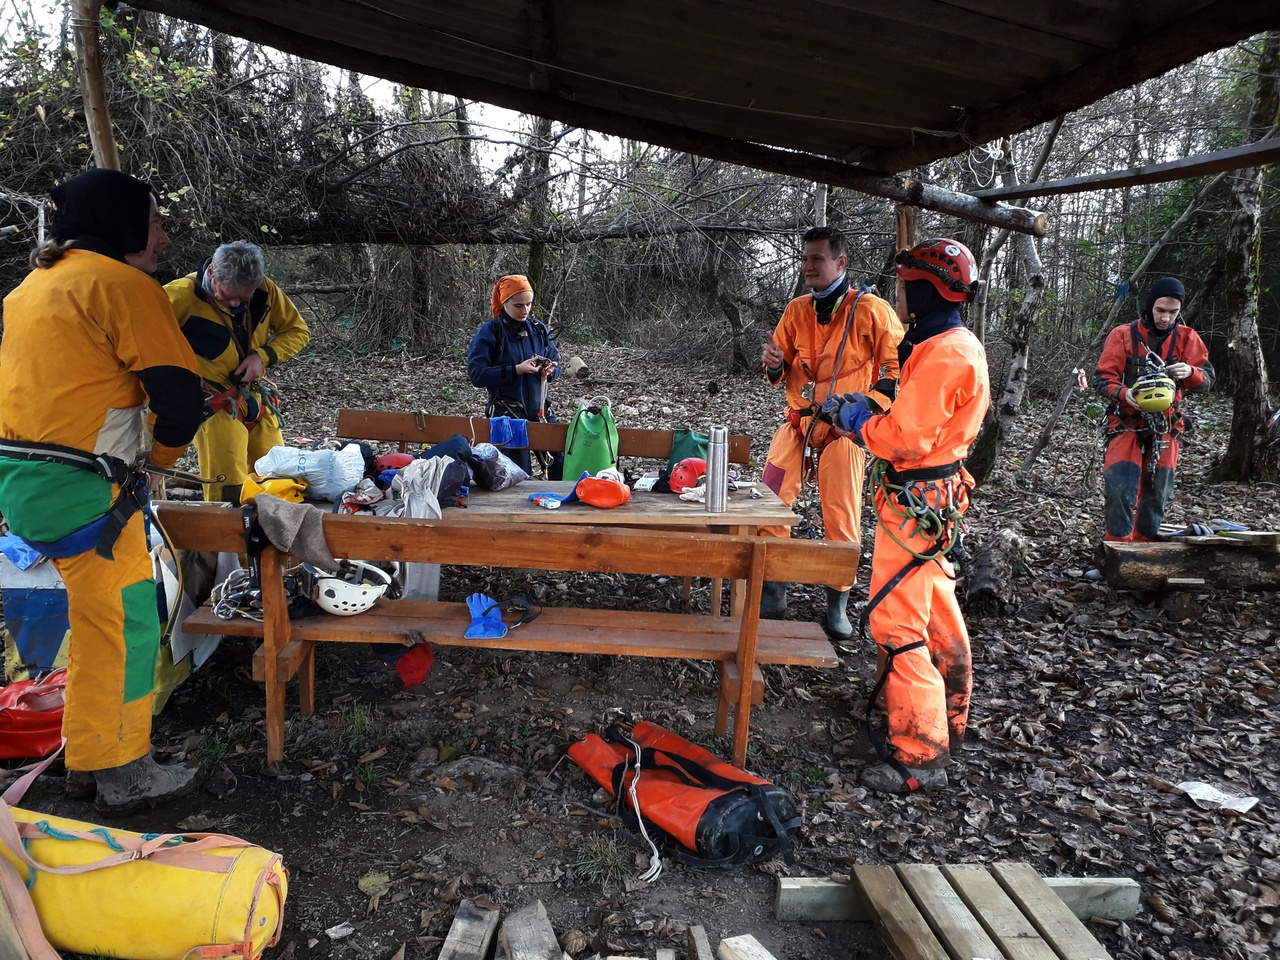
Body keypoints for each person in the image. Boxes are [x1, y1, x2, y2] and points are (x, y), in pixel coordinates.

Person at [0, 168, 206, 812]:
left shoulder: (29, 289)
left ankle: (89, 756)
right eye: (153, 222)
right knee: (127, 626)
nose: (164, 237)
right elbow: (180, 399)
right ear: (119, 224)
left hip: (22, 486)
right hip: (86, 491)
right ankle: (122, 769)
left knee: (95, 627)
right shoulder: (123, 285)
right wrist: (161, 460)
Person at [826, 237, 990, 794]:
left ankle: (919, 752)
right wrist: (875, 400)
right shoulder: (953, 343)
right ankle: (951, 713)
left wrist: (857, 424)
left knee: (896, 622)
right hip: (934, 499)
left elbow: (905, 437)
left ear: (925, 287)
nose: (900, 293)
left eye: (906, 284)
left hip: (915, 500)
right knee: (937, 607)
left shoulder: (946, 353)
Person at [758, 226, 903, 639]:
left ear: (840, 263)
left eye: (816, 259)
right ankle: (773, 590)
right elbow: (777, 371)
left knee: (841, 515)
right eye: (805, 259)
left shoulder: (871, 310)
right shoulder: (796, 309)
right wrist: (772, 363)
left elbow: (898, 370)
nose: (808, 266)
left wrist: (867, 408)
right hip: (798, 423)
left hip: (844, 432)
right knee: (769, 501)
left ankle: (837, 601)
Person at [165, 241, 311, 504]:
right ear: (211, 273)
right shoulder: (177, 297)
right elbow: (145, 347)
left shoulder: (265, 292)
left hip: (257, 401)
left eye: (243, 298)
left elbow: (297, 331)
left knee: (277, 479)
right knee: (229, 491)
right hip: (214, 407)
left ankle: (273, 541)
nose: (234, 303)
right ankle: (229, 543)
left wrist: (262, 357)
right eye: (226, 295)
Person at [1093, 277, 1213, 542]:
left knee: (1158, 489)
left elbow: (1208, 380)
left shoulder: (1188, 338)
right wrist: (1125, 394)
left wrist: (1191, 372)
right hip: (1126, 419)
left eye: (1173, 312)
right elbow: (1102, 379)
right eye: (1160, 310)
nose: (1165, 318)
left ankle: (1145, 550)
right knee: (1119, 486)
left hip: (1167, 424)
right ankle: (1116, 551)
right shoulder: (1123, 334)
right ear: (1150, 306)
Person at [467, 274, 563, 478]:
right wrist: (516, 370)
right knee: (518, 476)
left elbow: (556, 362)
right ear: (504, 302)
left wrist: (551, 370)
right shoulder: (491, 332)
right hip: (507, 417)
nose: (525, 310)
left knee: (562, 465)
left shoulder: (538, 330)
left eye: (528, 304)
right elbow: (476, 375)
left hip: (541, 412)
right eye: (518, 305)